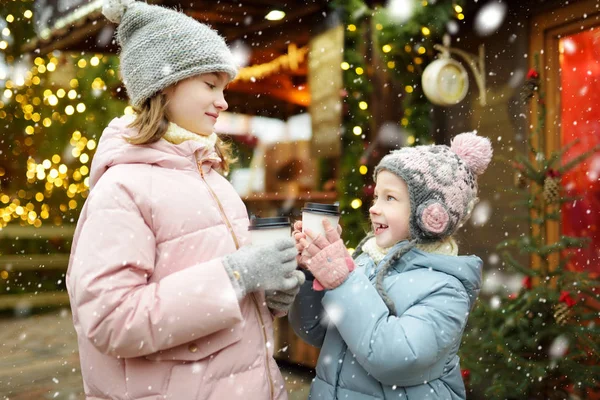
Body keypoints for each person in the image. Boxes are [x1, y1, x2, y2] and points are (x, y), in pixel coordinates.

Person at [66, 1, 303, 399]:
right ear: (164, 87)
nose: (223, 101)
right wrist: (237, 276)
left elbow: (229, 286)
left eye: (224, 88)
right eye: (210, 85)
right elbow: (111, 321)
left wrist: (268, 293)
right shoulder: (122, 189)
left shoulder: (215, 180)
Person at [290, 132, 493, 399]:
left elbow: (395, 357)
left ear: (430, 215)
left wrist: (343, 280)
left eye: (390, 198)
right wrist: (310, 272)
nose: (373, 208)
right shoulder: (365, 262)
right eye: (376, 197)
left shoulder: (446, 287)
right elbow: (316, 331)